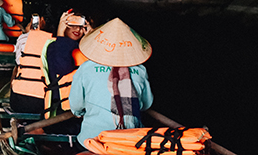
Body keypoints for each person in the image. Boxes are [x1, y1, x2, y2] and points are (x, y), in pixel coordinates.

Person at [69, 18, 154, 148]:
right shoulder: (140, 70)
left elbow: (76, 105)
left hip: (93, 139)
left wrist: (81, 112)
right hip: (131, 141)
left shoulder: (86, 68)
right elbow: (145, 104)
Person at [41, 10, 93, 133]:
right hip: (62, 110)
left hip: (86, 108)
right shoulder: (54, 46)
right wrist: (60, 33)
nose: (77, 29)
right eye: (72, 24)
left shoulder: (85, 48)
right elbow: (62, 67)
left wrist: (91, 38)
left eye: (81, 26)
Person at [9, 15, 52, 114]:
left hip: (17, 101)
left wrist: (28, 33)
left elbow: (19, 61)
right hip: (43, 102)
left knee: (18, 67)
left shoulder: (22, 38)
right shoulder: (52, 41)